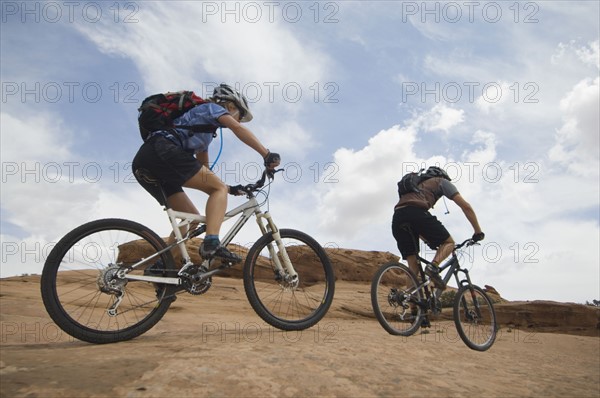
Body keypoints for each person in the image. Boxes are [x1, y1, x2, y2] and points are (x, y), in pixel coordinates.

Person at [132, 84, 280, 265]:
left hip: (146, 160)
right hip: (162, 150)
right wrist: (266, 154)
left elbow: (203, 171)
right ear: (231, 106)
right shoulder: (211, 108)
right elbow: (238, 129)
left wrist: (228, 188)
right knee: (217, 188)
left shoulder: (203, 132)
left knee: (190, 218)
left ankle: (163, 266)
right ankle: (211, 243)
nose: (239, 121)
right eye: (240, 116)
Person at [391, 166, 484, 290]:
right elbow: (466, 207)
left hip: (397, 217)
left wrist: (427, 240)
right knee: (449, 243)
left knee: (413, 265)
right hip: (416, 212)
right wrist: (478, 232)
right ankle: (433, 267)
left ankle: (412, 304)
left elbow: (412, 223)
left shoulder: (414, 188)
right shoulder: (441, 181)